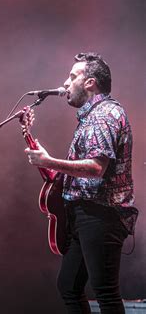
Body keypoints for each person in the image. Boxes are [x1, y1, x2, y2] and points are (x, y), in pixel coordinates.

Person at [24, 52, 138, 314]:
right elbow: (79, 172)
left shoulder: (105, 115)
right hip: (86, 213)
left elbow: (96, 169)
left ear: (90, 82)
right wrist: (42, 155)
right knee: (69, 286)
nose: (65, 83)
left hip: (103, 214)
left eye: (72, 76)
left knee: (106, 293)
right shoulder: (91, 117)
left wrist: (49, 161)